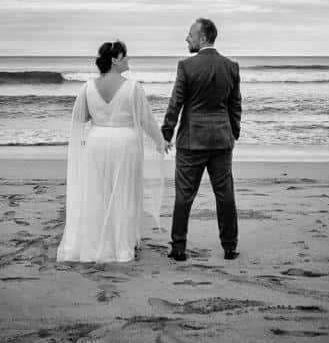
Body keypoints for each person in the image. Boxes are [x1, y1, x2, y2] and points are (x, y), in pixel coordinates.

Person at [56, 40, 167, 263]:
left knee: (98, 194)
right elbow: (145, 119)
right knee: (124, 194)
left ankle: (95, 243)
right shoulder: (133, 87)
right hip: (125, 144)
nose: (128, 59)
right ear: (115, 60)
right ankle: (121, 246)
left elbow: (81, 117)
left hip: (96, 142)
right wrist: (160, 141)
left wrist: (100, 114)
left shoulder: (88, 87)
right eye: (125, 56)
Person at [161, 18, 241, 261]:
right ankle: (230, 247)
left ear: (203, 37)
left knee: (184, 195)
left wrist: (166, 133)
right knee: (224, 194)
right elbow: (235, 105)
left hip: (191, 141)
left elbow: (176, 102)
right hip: (221, 140)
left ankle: (178, 247)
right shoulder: (231, 66)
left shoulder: (186, 66)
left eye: (191, 34)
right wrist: (233, 132)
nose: (187, 38)